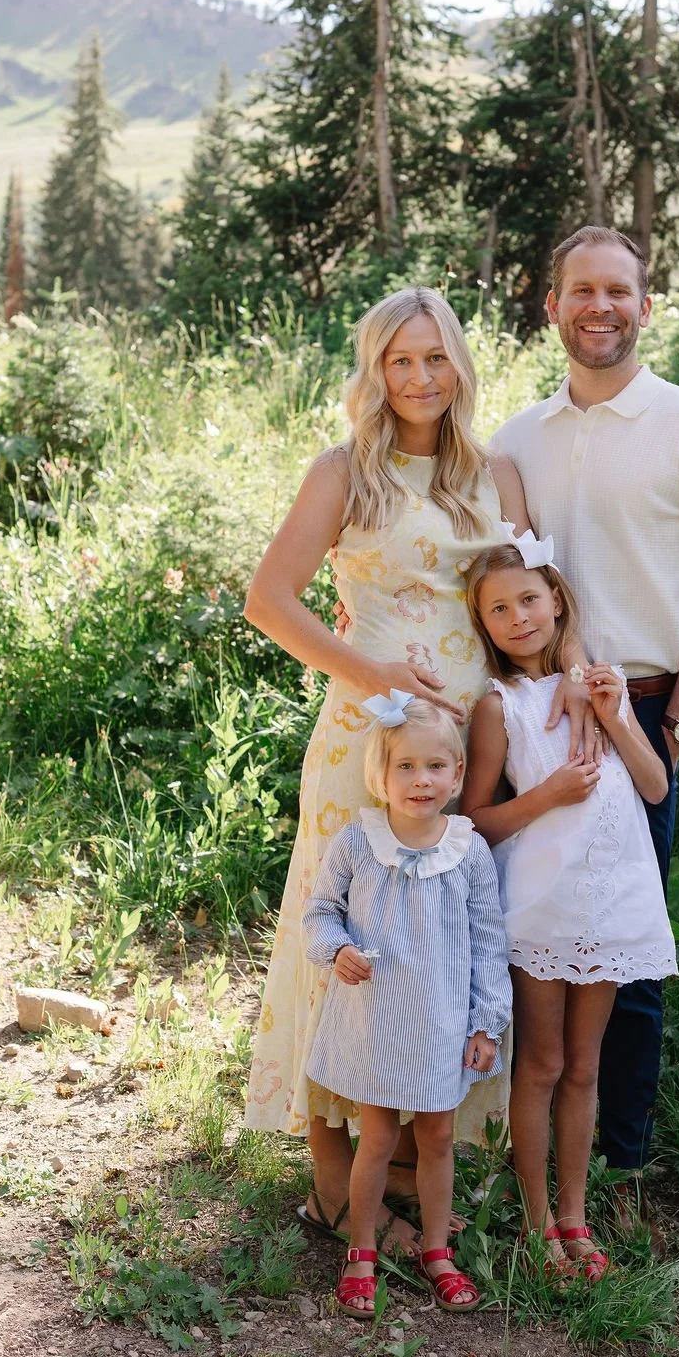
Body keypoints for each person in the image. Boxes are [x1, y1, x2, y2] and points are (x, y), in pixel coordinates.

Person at [243, 285, 532, 1256]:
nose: (418, 378)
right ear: (374, 371)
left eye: (434, 358)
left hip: (464, 756)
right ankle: (331, 1189)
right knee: (356, 942)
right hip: (367, 746)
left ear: (459, 365)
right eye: (398, 361)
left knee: (439, 947)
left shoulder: (495, 477)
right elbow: (268, 600)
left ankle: (410, 1171)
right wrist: (369, 673)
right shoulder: (345, 472)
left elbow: (522, 599)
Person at [488, 226, 679, 1232]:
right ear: (550, 306)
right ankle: (521, 1157)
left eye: (618, 291)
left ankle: (622, 1166)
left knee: (624, 949)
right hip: (531, 717)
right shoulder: (516, 438)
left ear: (647, 305)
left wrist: (677, 721)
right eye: (579, 291)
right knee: (527, 930)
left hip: (642, 708)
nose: (598, 307)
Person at [460, 537, 676, 1279]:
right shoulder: (500, 707)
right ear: (483, 626)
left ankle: (576, 1216)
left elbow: (654, 788)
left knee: (586, 1065)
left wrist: (616, 717)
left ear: (557, 600)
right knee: (543, 1062)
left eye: (528, 599)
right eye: (498, 609)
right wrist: (544, 796)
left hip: (613, 900)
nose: (517, 617)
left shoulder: (601, 686)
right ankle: (533, 1221)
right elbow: (475, 820)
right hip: (543, 905)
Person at [303, 695, 511, 1317]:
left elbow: (488, 942)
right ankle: (361, 1251)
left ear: (456, 773)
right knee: (377, 1137)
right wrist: (336, 949)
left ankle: (437, 1250)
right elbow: (319, 914)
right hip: (374, 1021)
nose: (422, 780)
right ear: (381, 775)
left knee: (438, 1138)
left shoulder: (468, 852)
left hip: (442, 1024)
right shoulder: (358, 843)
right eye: (406, 768)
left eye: (437, 767)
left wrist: (486, 1022)